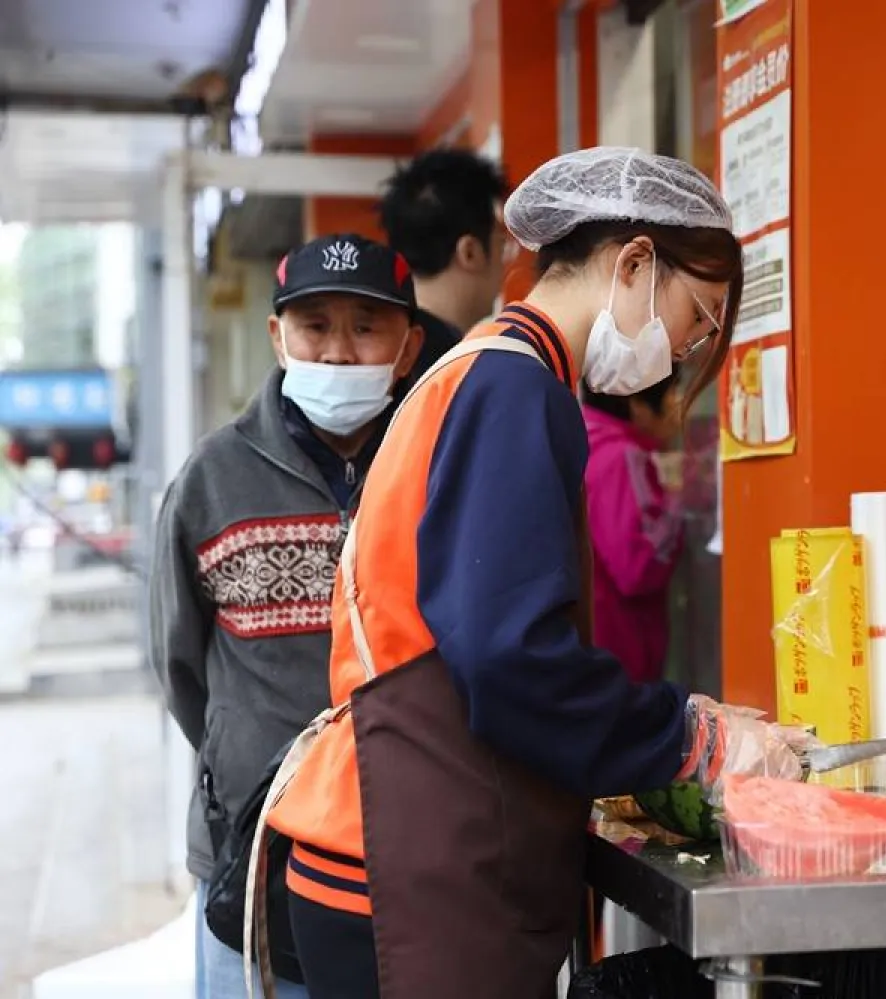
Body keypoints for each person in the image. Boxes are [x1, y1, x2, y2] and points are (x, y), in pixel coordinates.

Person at [263, 147, 802, 999]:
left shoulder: (485, 366)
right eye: (696, 319)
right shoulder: (514, 386)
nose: (684, 351)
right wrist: (691, 737)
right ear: (634, 263)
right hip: (409, 868)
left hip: (397, 844)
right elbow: (511, 656)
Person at [147, 233, 424, 999]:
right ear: (278, 337)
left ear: (408, 348)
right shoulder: (211, 479)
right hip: (252, 854)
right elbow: (179, 667)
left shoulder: (436, 467)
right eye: (315, 325)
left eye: (366, 325)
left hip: (402, 855)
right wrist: (246, 757)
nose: (338, 352)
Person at [581, 371, 687, 684]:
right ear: (637, 404)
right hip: (620, 657)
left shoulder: (587, 441)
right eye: (672, 393)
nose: (679, 404)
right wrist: (679, 500)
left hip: (595, 652)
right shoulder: (620, 458)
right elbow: (638, 570)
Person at [377, 148, 511, 380]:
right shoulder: (463, 368)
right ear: (470, 252)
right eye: (502, 244)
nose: (506, 263)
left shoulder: (381, 343)